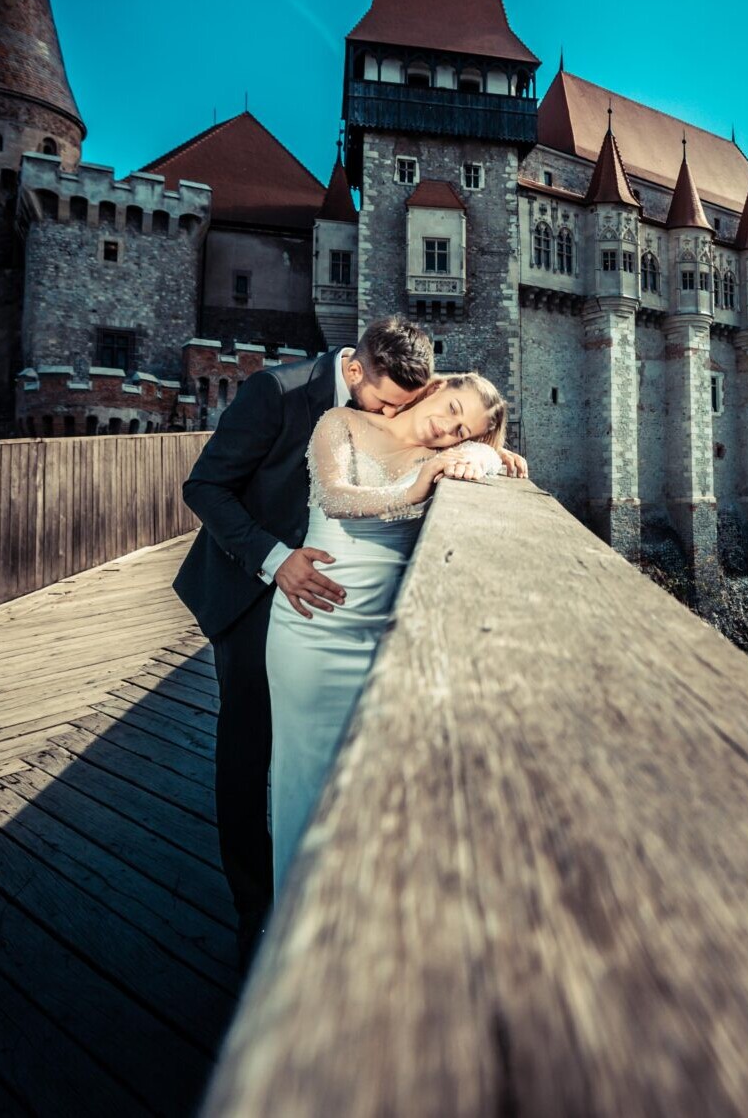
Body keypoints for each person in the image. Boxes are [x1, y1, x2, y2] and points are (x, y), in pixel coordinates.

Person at [172, 318, 524, 968]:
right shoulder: (278, 393)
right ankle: (256, 912)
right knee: (248, 755)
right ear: (355, 371)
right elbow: (205, 487)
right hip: (252, 589)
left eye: (406, 404)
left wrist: (489, 453)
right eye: (386, 402)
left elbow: (450, 433)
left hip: (346, 607)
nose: (393, 414)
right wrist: (275, 559)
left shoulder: (406, 402)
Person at [264, 372, 508, 903]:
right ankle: (295, 915)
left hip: (382, 638)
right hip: (312, 627)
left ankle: (352, 911)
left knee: (368, 783)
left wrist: (488, 456)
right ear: (436, 388)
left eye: (462, 430)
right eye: (452, 409)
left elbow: (484, 457)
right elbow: (333, 497)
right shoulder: (342, 422)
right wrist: (414, 489)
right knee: (305, 780)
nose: (448, 429)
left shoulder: (448, 454)